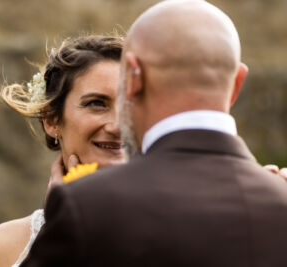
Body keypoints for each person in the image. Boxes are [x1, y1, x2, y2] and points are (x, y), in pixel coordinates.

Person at [19, 1, 287, 266]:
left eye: (121, 97)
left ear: (133, 79)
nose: (116, 124)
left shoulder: (86, 208)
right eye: (97, 103)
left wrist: (68, 214)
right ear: (237, 82)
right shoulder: (278, 200)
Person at [0, 36, 128, 267]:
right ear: (52, 119)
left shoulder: (180, 232)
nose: (117, 126)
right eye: (96, 103)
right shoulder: (3, 246)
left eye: (130, 105)